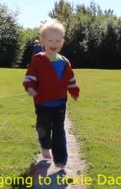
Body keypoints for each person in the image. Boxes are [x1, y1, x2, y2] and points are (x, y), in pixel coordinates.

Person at [22, 19, 80, 169]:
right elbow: (30, 77)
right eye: (50, 40)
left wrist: (74, 90)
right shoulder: (38, 60)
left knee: (59, 131)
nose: (54, 43)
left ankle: (60, 159)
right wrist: (30, 87)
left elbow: (70, 79)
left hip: (60, 103)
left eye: (57, 40)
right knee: (43, 127)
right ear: (42, 41)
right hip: (42, 103)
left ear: (62, 42)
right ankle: (45, 145)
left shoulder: (64, 62)